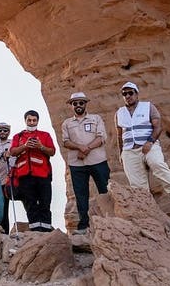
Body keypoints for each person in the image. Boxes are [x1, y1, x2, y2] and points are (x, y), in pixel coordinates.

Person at [115, 82, 170, 206]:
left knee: (158, 164)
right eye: (124, 94)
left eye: (130, 93)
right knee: (137, 183)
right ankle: (147, 207)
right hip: (129, 150)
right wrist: (121, 153)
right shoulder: (119, 113)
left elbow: (158, 127)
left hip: (149, 146)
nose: (127, 96)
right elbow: (119, 135)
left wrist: (149, 142)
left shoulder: (148, 107)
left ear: (136, 94)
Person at [61, 92, 110, 234]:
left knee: (104, 190)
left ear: (85, 104)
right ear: (71, 106)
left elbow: (101, 138)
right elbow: (66, 142)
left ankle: (109, 219)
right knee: (81, 195)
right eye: (74, 103)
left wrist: (86, 149)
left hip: (98, 161)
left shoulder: (96, 118)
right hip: (77, 164)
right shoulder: (67, 123)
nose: (78, 105)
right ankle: (84, 226)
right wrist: (80, 147)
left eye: (81, 103)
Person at [9, 110, 56, 232]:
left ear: (38, 121)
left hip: (43, 174)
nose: (31, 122)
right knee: (30, 203)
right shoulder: (18, 136)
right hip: (25, 175)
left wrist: (40, 146)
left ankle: (46, 230)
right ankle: (35, 230)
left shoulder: (45, 135)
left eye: (34, 120)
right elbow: (12, 152)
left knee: (45, 202)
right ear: (25, 121)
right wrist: (25, 146)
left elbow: (52, 151)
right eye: (29, 120)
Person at [0, 122, 14, 233]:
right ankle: (3, 231)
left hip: (12, 178)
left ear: (8, 132)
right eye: (0, 130)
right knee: (2, 207)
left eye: (5, 130)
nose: (2, 132)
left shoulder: (12, 143)